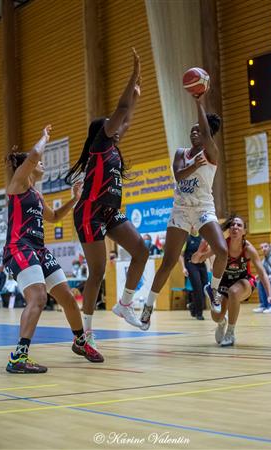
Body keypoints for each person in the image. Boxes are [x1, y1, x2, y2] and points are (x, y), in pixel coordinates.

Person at [3, 125, 104, 374]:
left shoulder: (36, 196)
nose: (42, 165)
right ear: (26, 166)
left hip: (38, 250)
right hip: (19, 247)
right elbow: (35, 156)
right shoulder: (17, 185)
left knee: (68, 298)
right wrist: (45, 137)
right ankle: (19, 356)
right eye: (37, 163)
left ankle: (80, 342)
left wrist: (75, 198)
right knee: (38, 297)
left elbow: (55, 216)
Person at [65, 49, 149, 333]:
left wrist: (136, 96)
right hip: (89, 212)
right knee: (97, 272)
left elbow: (127, 118)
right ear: (102, 130)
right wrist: (133, 75)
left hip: (109, 210)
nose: (118, 127)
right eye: (112, 124)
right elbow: (122, 111)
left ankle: (124, 304)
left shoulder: (112, 145)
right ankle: (85, 333)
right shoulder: (100, 144)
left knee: (141, 250)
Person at [140, 91, 228, 329]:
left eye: (198, 129)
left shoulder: (211, 153)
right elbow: (179, 177)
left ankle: (215, 289)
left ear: (206, 133)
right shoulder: (181, 153)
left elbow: (206, 133)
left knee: (222, 250)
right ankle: (148, 305)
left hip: (202, 207)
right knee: (168, 261)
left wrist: (199, 101)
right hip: (180, 209)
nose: (194, 132)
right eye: (192, 129)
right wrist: (193, 167)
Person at [191, 215, 271, 346]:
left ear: (244, 231)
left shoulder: (248, 249)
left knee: (234, 292)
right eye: (232, 225)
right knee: (217, 316)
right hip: (224, 281)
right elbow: (197, 261)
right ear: (229, 230)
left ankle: (230, 333)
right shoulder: (222, 245)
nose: (235, 227)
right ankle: (221, 322)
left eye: (239, 225)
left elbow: (262, 273)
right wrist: (198, 253)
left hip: (244, 281)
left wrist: (270, 295)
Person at [179, 226, 208, 320]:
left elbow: (207, 252)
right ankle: (199, 313)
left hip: (201, 264)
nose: (193, 226)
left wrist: (211, 265)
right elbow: (181, 255)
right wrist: (183, 268)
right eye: (191, 225)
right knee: (198, 288)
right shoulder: (186, 238)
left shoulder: (202, 238)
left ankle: (192, 306)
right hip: (190, 265)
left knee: (205, 288)